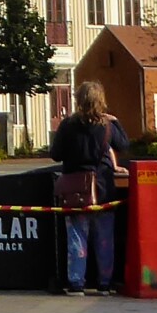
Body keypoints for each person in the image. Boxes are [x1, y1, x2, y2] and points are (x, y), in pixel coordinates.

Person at [50, 83, 126, 294]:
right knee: (104, 239)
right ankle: (104, 283)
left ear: (78, 100)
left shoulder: (68, 125)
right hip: (103, 188)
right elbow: (124, 145)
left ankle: (76, 283)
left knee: (77, 237)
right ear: (101, 100)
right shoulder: (108, 126)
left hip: (76, 189)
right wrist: (116, 121)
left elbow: (55, 154)